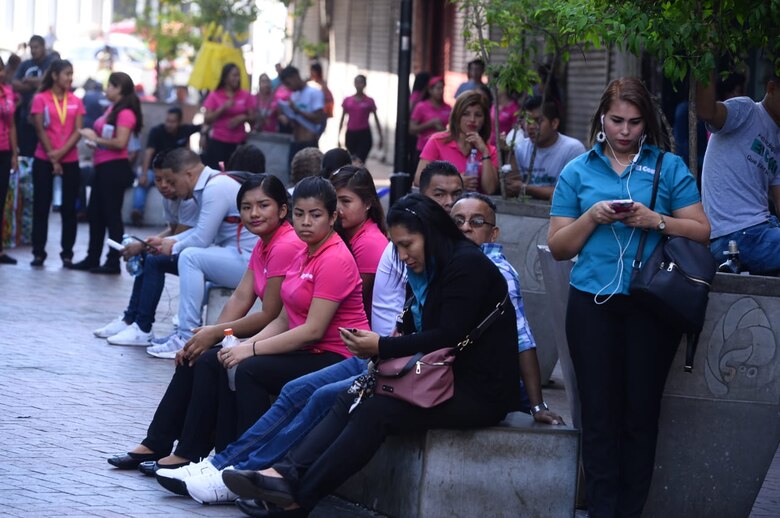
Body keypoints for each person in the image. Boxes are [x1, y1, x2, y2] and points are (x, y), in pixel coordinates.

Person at [152, 160, 464, 504]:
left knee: (251, 370)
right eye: (300, 214)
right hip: (310, 348)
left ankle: (233, 468)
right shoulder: (302, 251)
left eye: (315, 215)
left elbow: (312, 331)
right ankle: (213, 461)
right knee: (222, 359)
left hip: (337, 352)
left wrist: (248, 349)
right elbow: (283, 318)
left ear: (332, 218)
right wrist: (240, 343)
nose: (305, 222)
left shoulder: (334, 258)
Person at [221, 193, 521, 515]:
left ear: (430, 233)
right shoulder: (429, 267)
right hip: (434, 374)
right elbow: (415, 329)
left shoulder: (466, 266)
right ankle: (285, 475)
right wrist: (379, 345)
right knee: (351, 393)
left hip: (477, 391)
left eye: (408, 244)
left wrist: (381, 346)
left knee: (376, 412)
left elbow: (447, 336)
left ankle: (297, 500)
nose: (402, 255)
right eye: (397, 246)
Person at [548, 77, 710, 517]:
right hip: (591, 302)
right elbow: (559, 246)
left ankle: (629, 511)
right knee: (598, 414)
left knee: (640, 414)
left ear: (647, 123)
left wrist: (656, 220)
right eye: (617, 120)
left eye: (634, 122)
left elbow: (702, 230)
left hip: (650, 304)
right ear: (602, 118)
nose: (624, 130)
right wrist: (592, 216)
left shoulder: (668, 167)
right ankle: (602, 510)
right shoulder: (578, 170)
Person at [107, 173, 305, 472]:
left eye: (263, 205)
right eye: (246, 207)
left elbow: (270, 314)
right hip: (271, 332)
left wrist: (214, 334)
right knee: (194, 354)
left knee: (211, 359)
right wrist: (206, 336)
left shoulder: (285, 244)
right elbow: (240, 297)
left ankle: (189, 452)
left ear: (282, 209)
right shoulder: (264, 243)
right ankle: (157, 442)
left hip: (288, 337)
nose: (254, 213)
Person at [144, 148, 260, 357]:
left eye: (173, 182)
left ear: (188, 174)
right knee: (194, 261)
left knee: (190, 257)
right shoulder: (214, 183)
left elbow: (201, 238)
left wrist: (172, 245)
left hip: (250, 262)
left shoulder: (215, 187)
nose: (171, 188)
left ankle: (185, 336)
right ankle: (187, 333)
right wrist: (167, 241)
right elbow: (202, 231)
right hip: (243, 257)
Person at [93, 152, 199, 345]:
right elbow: (173, 229)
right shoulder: (170, 197)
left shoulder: (189, 198)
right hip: (187, 247)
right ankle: (130, 319)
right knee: (145, 255)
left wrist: (143, 246)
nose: (163, 185)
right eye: (158, 179)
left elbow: (179, 236)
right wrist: (144, 244)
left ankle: (143, 327)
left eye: (169, 180)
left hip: (198, 254)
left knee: (153, 259)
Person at [698, 71, 780, 274]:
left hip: (762, 231)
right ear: (771, 89)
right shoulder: (747, 110)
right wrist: (704, 62)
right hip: (733, 236)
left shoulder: (778, 141)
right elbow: (708, 112)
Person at [71, 72, 143, 274]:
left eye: (111, 86)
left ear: (119, 88)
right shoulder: (112, 108)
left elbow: (120, 142)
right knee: (95, 213)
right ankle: (92, 257)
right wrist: (97, 143)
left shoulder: (125, 113)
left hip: (114, 168)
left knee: (112, 215)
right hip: (102, 166)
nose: (107, 89)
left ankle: (113, 261)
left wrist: (96, 138)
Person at [29, 59, 85, 268]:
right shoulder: (40, 98)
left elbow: (78, 131)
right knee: (41, 206)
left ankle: (67, 254)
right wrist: (53, 156)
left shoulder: (76, 101)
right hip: (44, 157)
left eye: (71, 74)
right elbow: (39, 129)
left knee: (69, 209)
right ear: (54, 76)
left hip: (69, 158)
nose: (70, 78)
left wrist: (60, 154)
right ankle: (38, 252)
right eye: (66, 74)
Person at [330, 166, 389, 320]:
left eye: (345, 201)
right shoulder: (346, 234)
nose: (337, 208)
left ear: (367, 203)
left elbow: (350, 303)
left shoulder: (369, 243)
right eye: (333, 201)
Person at [415, 91, 499, 194]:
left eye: (478, 115)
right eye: (466, 114)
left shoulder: (490, 151)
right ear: (457, 116)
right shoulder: (437, 141)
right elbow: (418, 179)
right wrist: (455, 182)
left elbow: (490, 190)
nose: (472, 119)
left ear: (485, 120)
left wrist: (485, 153)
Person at [507, 95, 586, 200]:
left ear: (554, 123)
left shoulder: (573, 149)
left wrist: (526, 188)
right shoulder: (520, 148)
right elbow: (511, 187)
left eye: (538, 121)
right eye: (528, 121)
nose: (530, 126)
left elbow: (569, 192)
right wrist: (509, 152)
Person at [132, 107, 201, 226]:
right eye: (167, 120)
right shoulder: (156, 131)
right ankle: (137, 211)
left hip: (177, 172)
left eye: (172, 121)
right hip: (156, 170)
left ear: (179, 122)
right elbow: (148, 153)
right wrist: (144, 174)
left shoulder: (185, 130)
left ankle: (178, 218)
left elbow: (203, 126)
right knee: (143, 183)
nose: (169, 124)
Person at [202, 63, 256, 170]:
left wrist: (243, 118)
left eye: (238, 75)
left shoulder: (245, 95)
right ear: (225, 77)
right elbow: (207, 119)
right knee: (219, 173)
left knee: (236, 174)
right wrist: (222, 108)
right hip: (219, 143)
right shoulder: (214, 95)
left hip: (239, 143)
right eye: (234, 75)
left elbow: (253, 118)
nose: (237, 78)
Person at [12, 35, 56, 159]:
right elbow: (14, 84)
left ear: (43, 47)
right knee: (26, 152)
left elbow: (50, 81)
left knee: (46, 150)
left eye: (36, 47)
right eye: (31, 48)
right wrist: (38, 85)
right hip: (26, 114)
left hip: (47, 116)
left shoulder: (52, 62)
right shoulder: (25, 64)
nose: (33, 50)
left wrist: (28, 80)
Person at [277, 66, 326, 167]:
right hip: (295, 142)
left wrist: (297, 111)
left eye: (288, 83)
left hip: (309, 142)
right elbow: (294, 118)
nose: (288, 87)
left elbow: (318, 118)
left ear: (295, 77)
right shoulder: (294, 95)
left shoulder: (314, 93)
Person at [339, 75, 383, 163]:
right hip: (351, 133)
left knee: (360, 159)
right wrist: (339, 135)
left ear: (365, 84)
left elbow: (376, 119)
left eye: (361, 82)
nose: (359, 85)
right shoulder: (348, 100)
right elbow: (342, 118)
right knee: (352, 159)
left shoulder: (369, 101)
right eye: (357, 82)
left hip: (364, 134)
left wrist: (381, 136)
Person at [0, 57, 18, 265]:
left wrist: (14, 153)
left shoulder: (7, 92)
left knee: (1, 200)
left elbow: (12, 124)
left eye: (1, 69)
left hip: (4, 152)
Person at [409, 76, 451, 163]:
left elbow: (453, 129)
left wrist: (443, 130)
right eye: (438, 88)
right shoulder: (421, 106)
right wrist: (430, 124)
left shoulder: (448, 108)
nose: (441, 91)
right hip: (423, 148)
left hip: (441, 150)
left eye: (442, 88)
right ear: (430, 90)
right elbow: (412, 129)